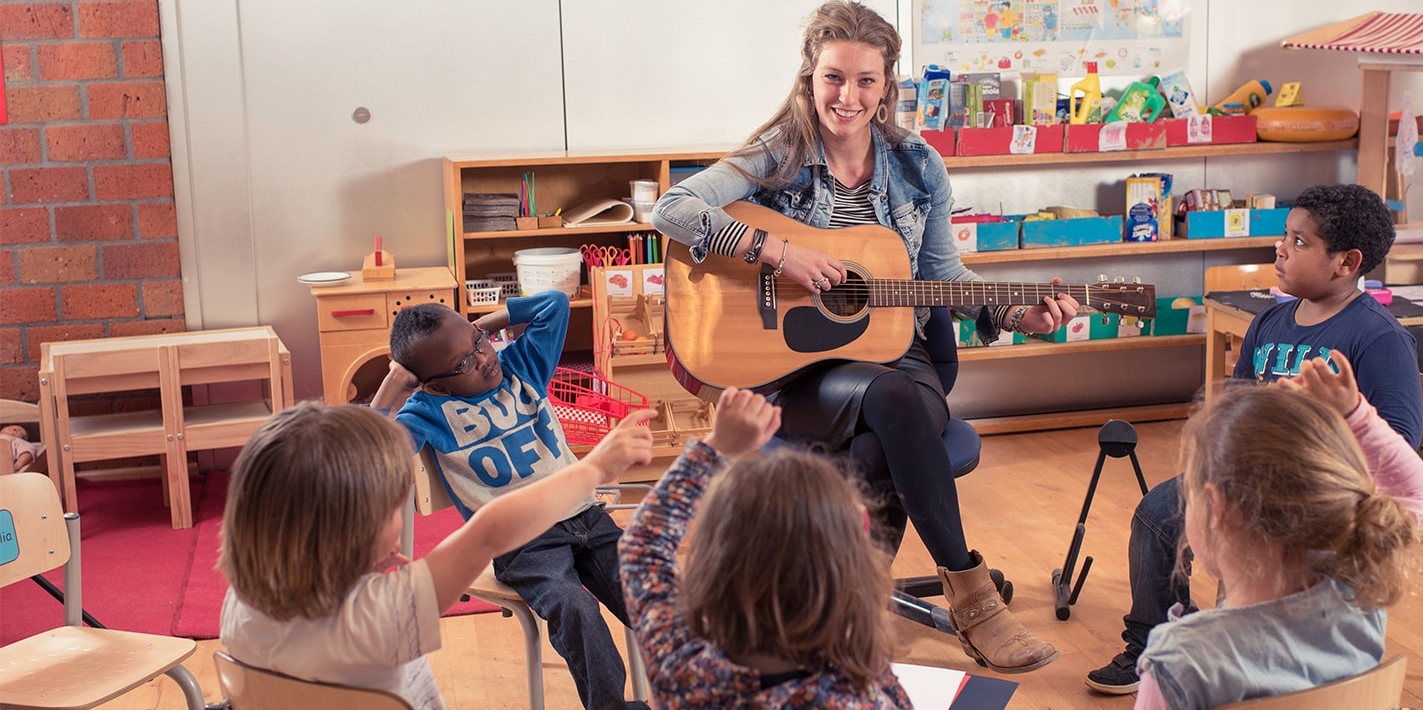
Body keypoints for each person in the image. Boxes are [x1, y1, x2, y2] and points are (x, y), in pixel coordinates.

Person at [651, 0, 1076, 673]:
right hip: (796, 373)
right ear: (809, 78)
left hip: (897, 361)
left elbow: (944, 276)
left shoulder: (917, 166)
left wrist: (1016, 315)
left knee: (890, 415)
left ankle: (838, 611)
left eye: (865, 81)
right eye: (833, 78)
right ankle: (970, 604)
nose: (847, 96)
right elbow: (671, 210)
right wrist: (775, 252)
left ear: (887, 88)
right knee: (893, 416)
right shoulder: (778, 154)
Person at [1087, 182, 1423, 694]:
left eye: (1300, 241)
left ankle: (1239, 649)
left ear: (1347, 262)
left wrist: (1335, 415)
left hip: (1313, 498)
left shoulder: (1378, 338)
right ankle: (1148, 638)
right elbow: (1238, 408)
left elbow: (1400, 439)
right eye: (1285, 236)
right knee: (1156, 517)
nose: (1280, 247)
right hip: (1244, 477)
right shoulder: (1270, 319)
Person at [218, 401, 654, 710]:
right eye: (394, 504)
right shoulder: (382, 613)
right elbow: (487, 533)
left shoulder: (239, 606)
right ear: (358, 530)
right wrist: (592, 469)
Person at [374, 291, 656, 710]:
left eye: (479, 344)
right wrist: (394, 385)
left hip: (585, 516)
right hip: (522, 544)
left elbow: (555, 305)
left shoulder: (520, 367)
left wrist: (479, 331)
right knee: (576, 608)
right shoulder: (426, 412)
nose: (485, 359)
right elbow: (369, 453)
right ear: (432, 383)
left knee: (650, 592)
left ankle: (703, 686)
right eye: (465, 364)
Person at [1135, 353, 1423, 709]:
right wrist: (1357, 417)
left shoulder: (1181, 663)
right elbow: (1414, 490)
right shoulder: (1358, 589)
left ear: (1216, 507)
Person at [618, 387, 912, 708]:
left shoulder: (682, 669)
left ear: (711, 567)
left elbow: (643, 545)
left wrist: (716, 447)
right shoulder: (857, 698)